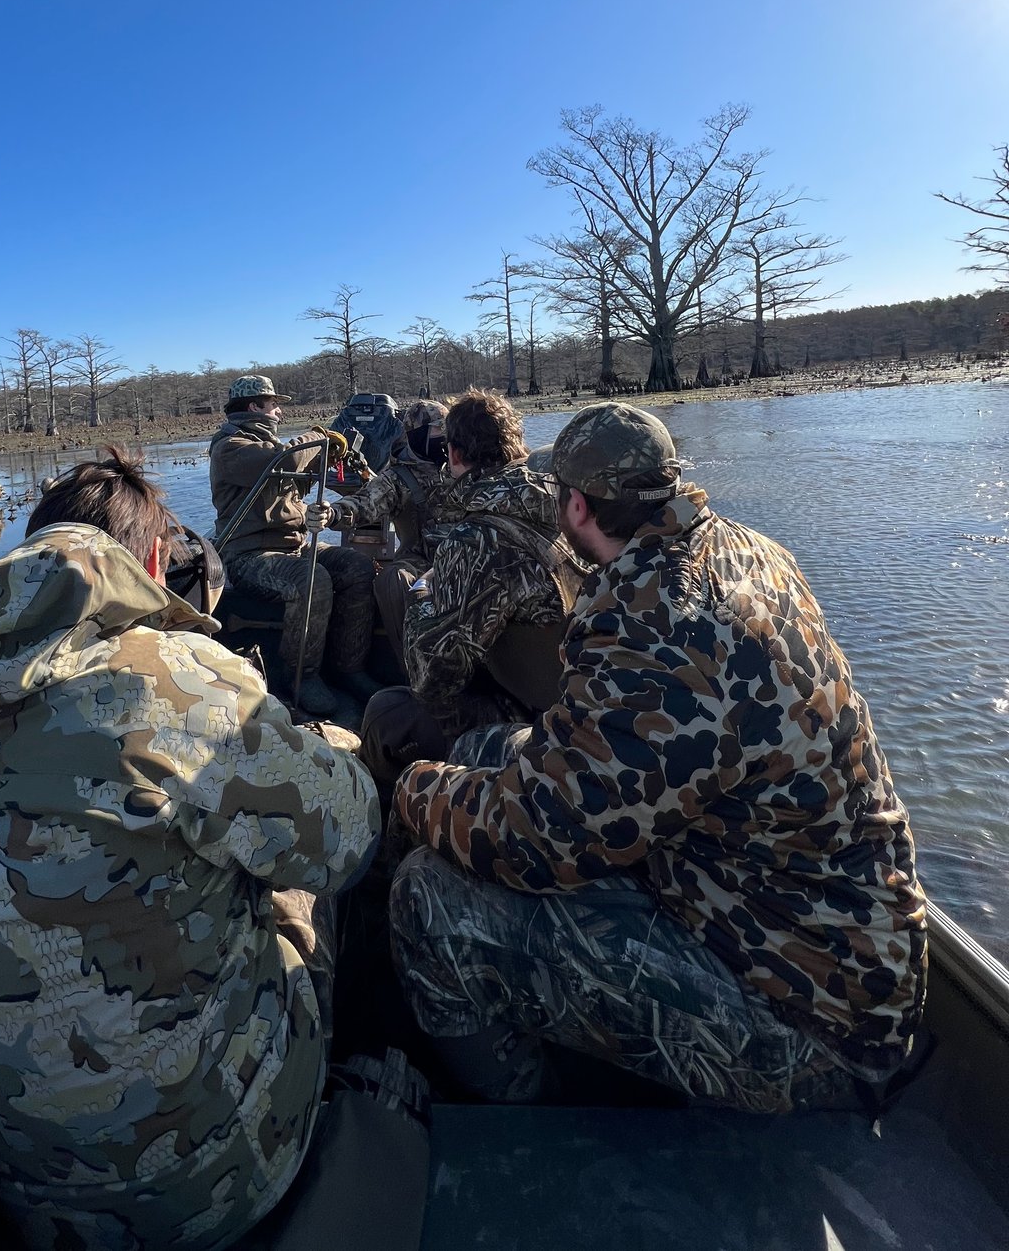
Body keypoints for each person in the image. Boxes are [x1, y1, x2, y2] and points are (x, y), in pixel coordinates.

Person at [0, 449, 380, 1251]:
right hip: (218, 1180)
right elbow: (350, 842)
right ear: (156, 560)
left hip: (22, 1194)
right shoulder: (174, 675)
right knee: (309, 848)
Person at [389, 402, 927, 1114]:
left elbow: (531, 840)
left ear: (577, 507)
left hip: (808, 1022)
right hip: (809, 926)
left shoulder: (649, 622)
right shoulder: (748, 548)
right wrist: (465, 771)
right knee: (487, 749)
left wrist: (412, 789)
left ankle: (537, 1126)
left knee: (425, 898)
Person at [359, 389, 588, 788]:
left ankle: (397, 821)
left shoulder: (474, 541)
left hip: (534, 722)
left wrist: (422, 595)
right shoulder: (570, 508)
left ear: (455, 454)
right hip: (582, 700)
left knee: (387, 713)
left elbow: (431, 680)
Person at [209, 375, 377, 710]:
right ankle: (302, 676)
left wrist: (324, 469)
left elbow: (289, 487)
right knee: (311, 579)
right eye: (274, 406)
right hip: (249, 556)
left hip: (292, 546)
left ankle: (349, 667)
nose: (279, 413)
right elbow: (283, 462)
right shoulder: (230, 449)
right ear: (255, 406)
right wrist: (318, 436)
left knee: (357, 566)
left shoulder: (267, 446)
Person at [329, 399, 460, 671]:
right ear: (418, 435)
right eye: (438, 429)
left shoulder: (461, 462)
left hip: (464, 552)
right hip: (421, 558)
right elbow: (364, 503)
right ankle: (413, 667)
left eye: (448, 429)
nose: (446, 436)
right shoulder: (396, 477)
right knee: (394, 580)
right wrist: (333, 514)